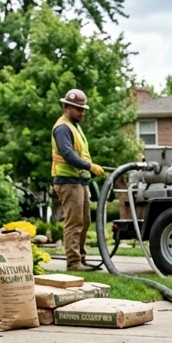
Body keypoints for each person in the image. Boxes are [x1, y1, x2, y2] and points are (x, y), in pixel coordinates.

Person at [52, 89, 105, 271]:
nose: (81, 113)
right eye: (78, 109)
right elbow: (67, 154)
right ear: (66, 107)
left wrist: (89, 168)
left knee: (84, 221)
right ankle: (73, 262)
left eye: (83, 109)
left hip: (79, 181)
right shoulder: (62, 128)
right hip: (68, 181)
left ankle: (80, 259)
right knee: (74, 222)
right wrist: (90, 166)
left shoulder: (74, 127)